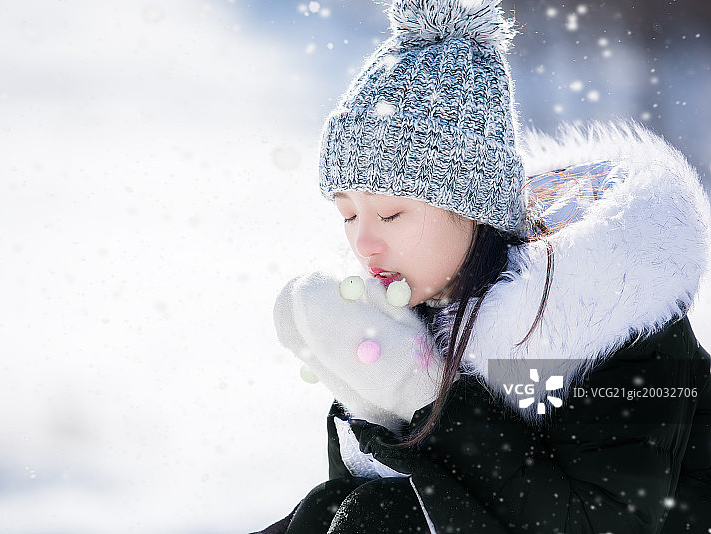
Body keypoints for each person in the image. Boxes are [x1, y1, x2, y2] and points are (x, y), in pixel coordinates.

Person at [257, 0, 711, 532]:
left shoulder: (613, 320)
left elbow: (602, 522)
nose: (365, 242)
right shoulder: (418, 308)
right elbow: (371, 498)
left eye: (390, 212)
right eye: (348, 215)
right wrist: (370, 401)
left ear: (473, 209)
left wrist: (427, 398)